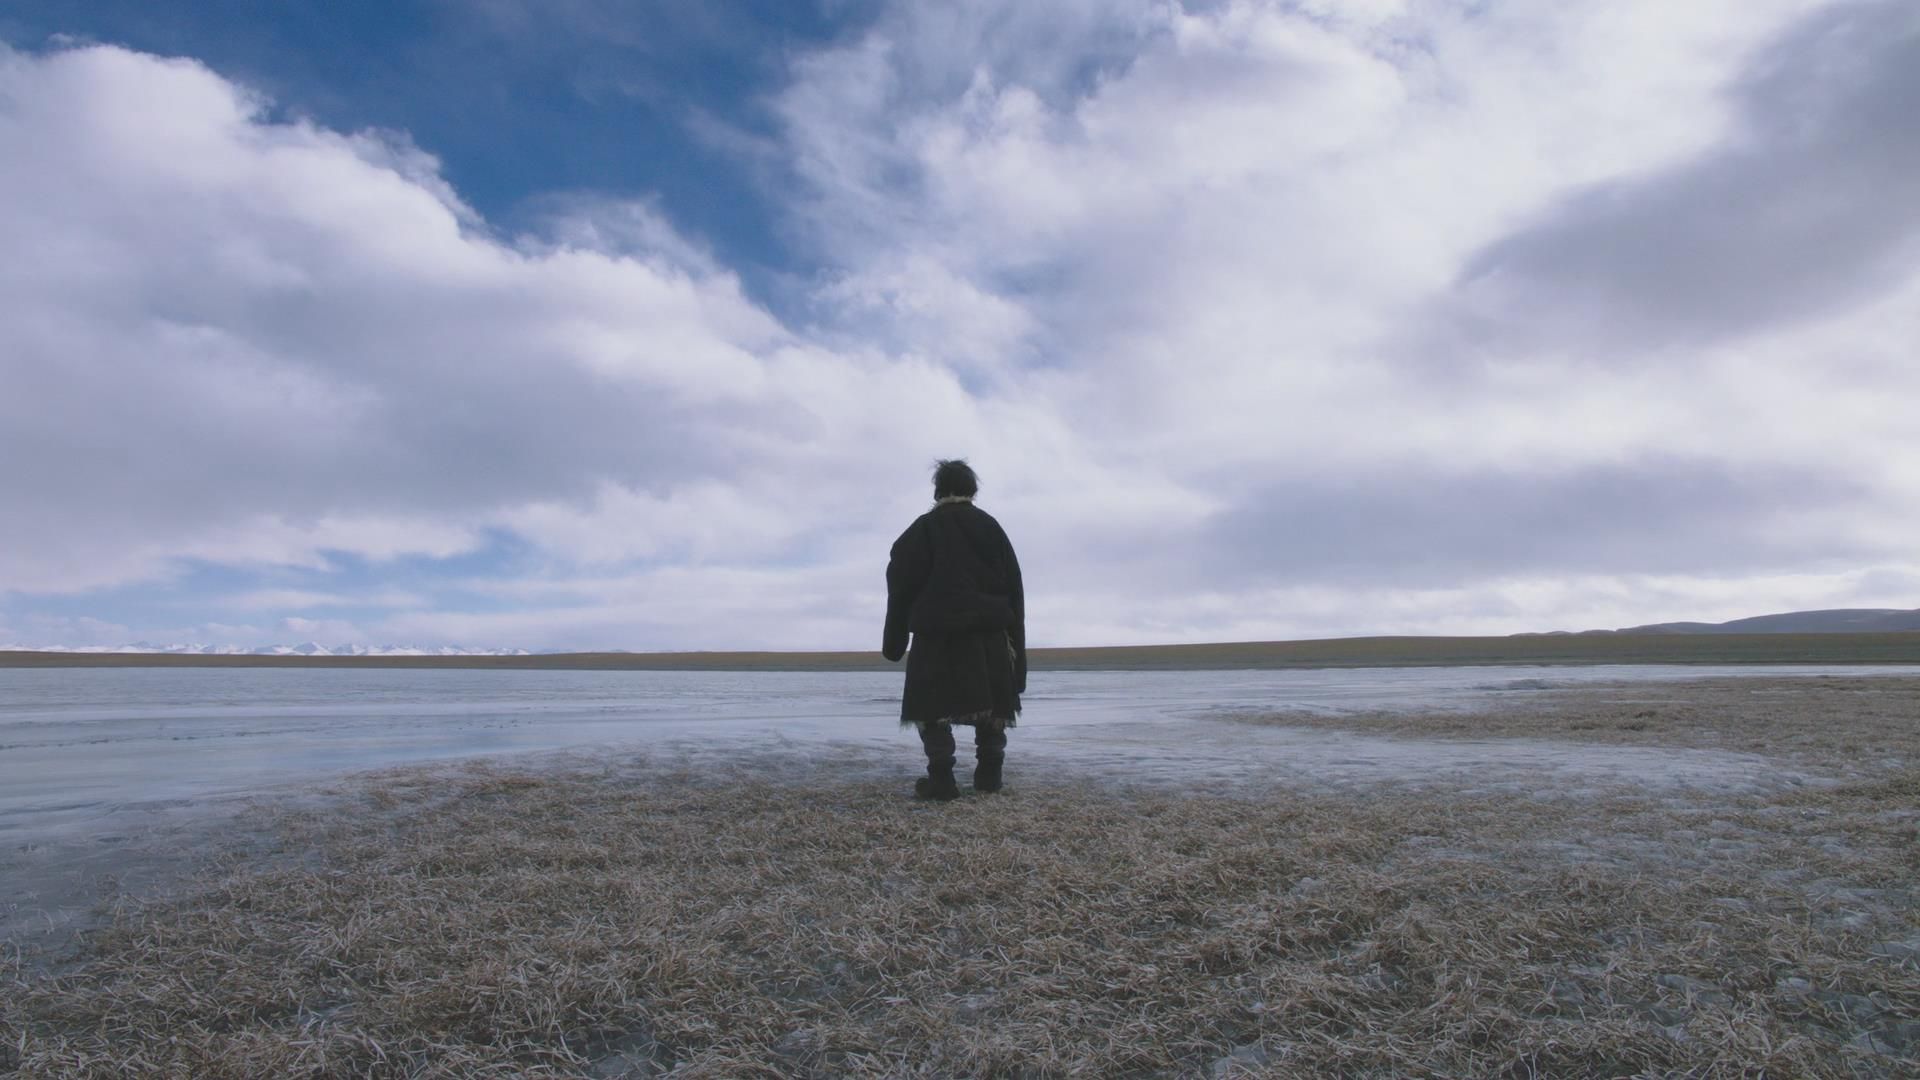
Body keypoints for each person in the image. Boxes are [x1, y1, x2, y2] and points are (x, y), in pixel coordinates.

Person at [882, 459, 1027, 800]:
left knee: (932, 709)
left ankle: (941, 778)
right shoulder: (991, 528)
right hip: (990, 637)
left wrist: (894, 641)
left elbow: (900, 584)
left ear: (938, 491)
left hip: (937, 639)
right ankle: (990, 773)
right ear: (972, 490)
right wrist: (1018, 659)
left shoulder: (922, 530)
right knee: (992, 711)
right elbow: (1015, 591)